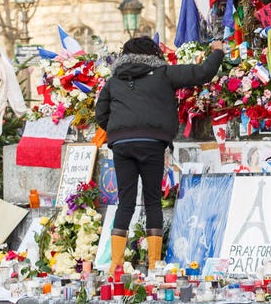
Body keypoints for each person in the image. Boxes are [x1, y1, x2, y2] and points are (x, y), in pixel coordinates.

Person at [95, 37, 224, 275]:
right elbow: (203, 73)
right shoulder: (163, 73)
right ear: (154, 53)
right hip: (152, 142)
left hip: (121, 144)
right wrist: (217, 52)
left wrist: (119, 130)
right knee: (152, 200)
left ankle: (115, 265)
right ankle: (154, 264)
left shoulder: (113, 81)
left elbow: (100, 114)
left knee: (125, 203)